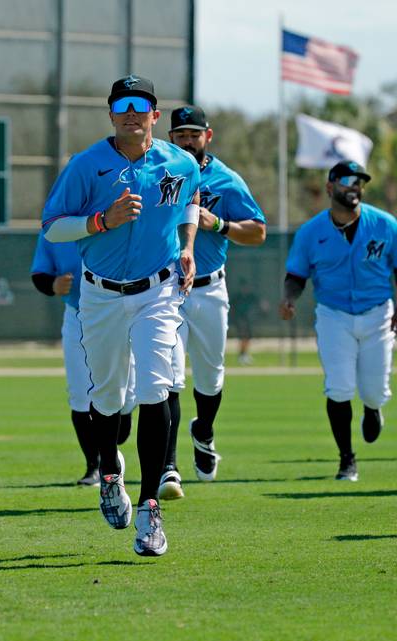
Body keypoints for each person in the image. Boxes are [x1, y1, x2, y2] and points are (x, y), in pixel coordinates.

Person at [42, 75, 200, 557]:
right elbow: (51, 229)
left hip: (158, 291)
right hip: (101, 295)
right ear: (111, 114)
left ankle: (151, 509)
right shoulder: (86, 166)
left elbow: (191, 199)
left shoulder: (181, 162)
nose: (132, 112)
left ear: (156, 114)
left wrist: (189, 246)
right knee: (107, 396)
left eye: (142, 104)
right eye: (122, 105)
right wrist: (100, 221)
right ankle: (110, 469)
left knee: (155, 388)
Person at [279, 160, 397, 482]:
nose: (353, 187)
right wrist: (289, 298)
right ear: (330, 188)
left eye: (359, 182)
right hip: (333, 315)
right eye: (346, 181)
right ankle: (346, 459)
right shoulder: (312, 231)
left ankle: (373, 408)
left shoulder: (384, 224)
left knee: (374, 392)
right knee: (339, 388)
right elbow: (297, 275)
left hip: (376, 313)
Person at [161, 104, 267, 499]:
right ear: (170, 137)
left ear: (209, 136)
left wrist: (219, 224)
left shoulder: (226, 179)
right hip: (166, 287)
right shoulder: (160, 170)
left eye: (194, 133)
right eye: (181, 134)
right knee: (167, 376)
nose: (188, 140)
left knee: (209, 376)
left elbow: (258, 232)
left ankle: (203, 429)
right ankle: (168, 466)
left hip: (208, 287)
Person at [30, 231, 136, 486]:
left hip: (120, 311)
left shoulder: (113, 218)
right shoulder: (55, 227)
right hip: (77, 314)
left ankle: (113, 441)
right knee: (80, 394)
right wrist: (53, 285)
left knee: (128, 395)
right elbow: (40, 273)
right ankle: (95, 466)